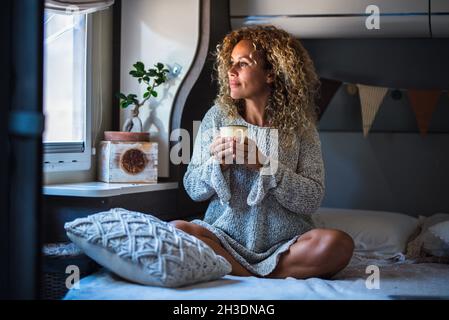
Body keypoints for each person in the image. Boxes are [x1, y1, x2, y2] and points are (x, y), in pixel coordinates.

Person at [171, 25, 354, 279]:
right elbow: (192, 187)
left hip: (286, 244)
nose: (231, 71)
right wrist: (217, 165)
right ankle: (262, 272)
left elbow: (312, 197)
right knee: (176, 230)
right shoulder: (217, 117)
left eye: (242, 63)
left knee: (339, 244)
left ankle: (234, 270)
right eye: (231, 62)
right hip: (223, 238)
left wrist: (264, 165)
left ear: (271, 73)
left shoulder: (301, 127)